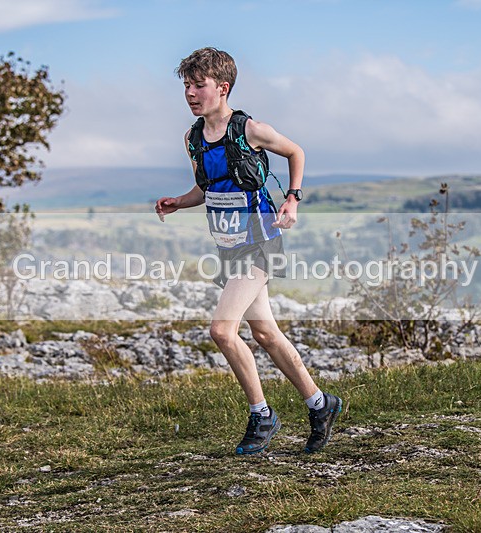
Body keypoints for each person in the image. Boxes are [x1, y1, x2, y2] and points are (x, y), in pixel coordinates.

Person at [155, 47, 341, 455]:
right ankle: (320, 403)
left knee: (222, 330)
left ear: (222, 88)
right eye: (186, 85)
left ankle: (262, 414)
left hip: (260, 242)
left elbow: (296, 152)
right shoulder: (193, 139)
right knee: (265, 333)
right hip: (229, 247)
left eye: (198, 85)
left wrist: (292, 199)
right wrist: (177, 202)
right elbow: (207, 189)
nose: (189, 93)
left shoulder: (250, 130)